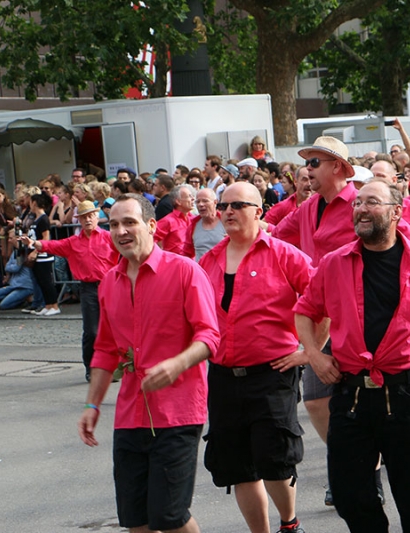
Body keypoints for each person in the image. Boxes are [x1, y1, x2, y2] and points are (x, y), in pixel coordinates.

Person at [294, 179, 410, 533]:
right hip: (351, 397)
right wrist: (314, 355)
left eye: (372, 202)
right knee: (351, 498)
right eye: (357, 203)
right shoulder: (335, 263)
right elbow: (305, 310)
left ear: (397, 212)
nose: (361, 209)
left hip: (406, 396)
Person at [77, 193, 220, 533]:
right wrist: (92, 405)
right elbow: (106, 351)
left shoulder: (186, 271)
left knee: (170, 516)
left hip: (178, 412)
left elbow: (210, 337)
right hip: (130, 414)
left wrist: (177, 364)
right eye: (113, 224)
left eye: (129, 222)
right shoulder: (109, 283)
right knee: (136, 521)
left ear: (152, 226)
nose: (121, 231)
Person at [199, 182, 312, 533]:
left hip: (272, 373)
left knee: (274, 457)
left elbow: (322, 301)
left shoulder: (284, 254)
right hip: (222, 375)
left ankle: (289, 524)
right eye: (223, 206)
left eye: (237, 205)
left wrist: (309, 351)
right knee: (236, 465)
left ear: (258, 211)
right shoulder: (210, 259)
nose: (227, 212)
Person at [23, 200, 119, 381]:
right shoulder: (73, 242)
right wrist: (34, 243)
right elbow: (53, 245)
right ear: (79, 221)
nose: (88, 220)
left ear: (97, 217)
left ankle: (111, 368)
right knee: (92, 331)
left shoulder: (109, 237)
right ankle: (91, 368)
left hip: (111, 287)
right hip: (89, 288)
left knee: (112, 329)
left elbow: (127, 252)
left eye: (91, 216)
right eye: (84, 217)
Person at [154, 184, 197, 256]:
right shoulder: (168, 221)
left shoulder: (194, 219)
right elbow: (150, 238)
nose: (193, 199)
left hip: (193, 263)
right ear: (178, 201)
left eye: (192, 196)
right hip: (174, 263)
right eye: (189, 196)